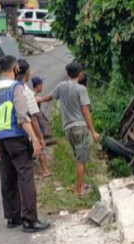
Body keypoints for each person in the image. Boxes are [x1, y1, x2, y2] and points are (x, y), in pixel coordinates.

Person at [0, 55, 50, 233]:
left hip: (1, 139)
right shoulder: (16, 88)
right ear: (15, 68)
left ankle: (12, 217)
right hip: (17, 137)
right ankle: (30, 220)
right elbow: (23, 117)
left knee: (8, 179)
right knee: (25, 177)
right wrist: (35, 140)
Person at [38, 62, 100, 195]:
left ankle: (80, 185)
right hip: (80, 127)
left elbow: (50, 96)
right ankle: (79, 189)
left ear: (67, 73)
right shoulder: (81, 89)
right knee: (81, 160)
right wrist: (93, 131)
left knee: (78, 157)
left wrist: (40, 99)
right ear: (80, 74)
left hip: (68, 129)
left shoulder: (61, 86)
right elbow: (85, 111)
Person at [16, 59, 51, 178]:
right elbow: (34, 119)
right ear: (27, 73)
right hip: (27, 131)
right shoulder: (28, 93)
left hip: (11, 135)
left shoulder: (8, 90)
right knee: (39, 149)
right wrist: (39, 138)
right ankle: (45, 170)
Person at [31, 76, 52, 178]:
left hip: (35, 125)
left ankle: (43, 169)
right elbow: (40, 99)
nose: (42, 86)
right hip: (36, 126)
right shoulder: (34, 96)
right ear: (38, 85)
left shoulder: (33, 95)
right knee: (41, 145)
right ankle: (45, 170)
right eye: (41, 84)